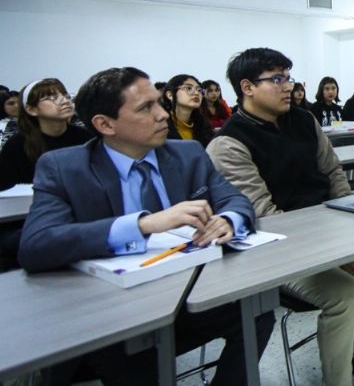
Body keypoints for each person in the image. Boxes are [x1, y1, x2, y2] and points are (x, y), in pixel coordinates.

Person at [17, 67, 274, 386]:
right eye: (145, 108)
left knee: (256, 310)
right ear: (105, 124)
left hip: (185, 294)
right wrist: (143, 225)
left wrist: (228, 220)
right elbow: (36, 245)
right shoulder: (64, 167)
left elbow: (235, 201)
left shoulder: (188, 153)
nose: (162, 114)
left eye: (158, 102)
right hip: (113, 314)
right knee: (137, 357)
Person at [207, 48, 354, 386]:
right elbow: (266, 217)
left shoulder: (303, 120)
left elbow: (333, 173)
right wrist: (333, 253)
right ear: (246, 87)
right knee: (346, 293)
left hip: (333, 234)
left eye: (288, 77)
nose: (287, 86)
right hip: (278, 252)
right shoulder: (229, 143)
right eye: (276, 79)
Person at [0, 79, 90, 191]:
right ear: (31, 109)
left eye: (65, 96)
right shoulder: (17, 145)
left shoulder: (86, 137)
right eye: (52, 98)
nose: (65, 101)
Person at [161, 74, 214, 147]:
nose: (196, 93)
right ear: (170, 95)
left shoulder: (203, 125)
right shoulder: (159, 125)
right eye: (189, 88)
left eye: (199, 90)